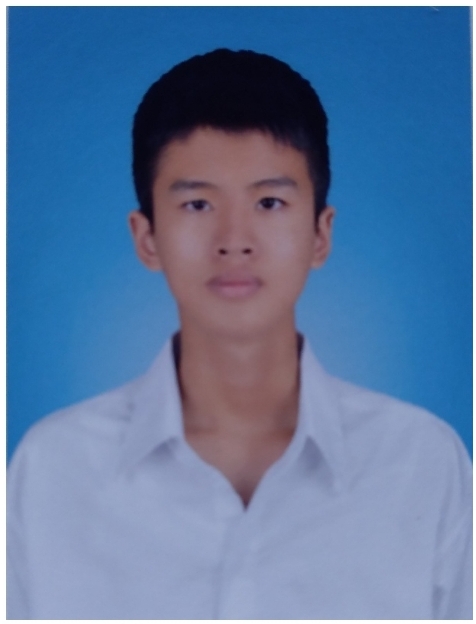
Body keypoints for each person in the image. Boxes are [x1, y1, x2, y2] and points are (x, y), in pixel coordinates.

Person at [7, 49, 472, 620]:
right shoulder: (54, 469)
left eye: (269, 202)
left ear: (320, 234)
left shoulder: (421, 462)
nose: (234, 240)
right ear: (147, 237)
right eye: (198, 203)